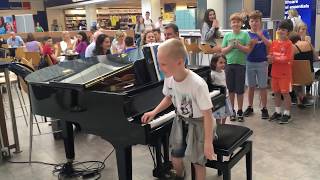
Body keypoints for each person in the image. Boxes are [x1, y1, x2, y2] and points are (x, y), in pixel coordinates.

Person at [141, 39, 216, 180]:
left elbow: (208, 115)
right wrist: (154, 112)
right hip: (181, 120)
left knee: (197, 162)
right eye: (159, 64)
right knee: (175, 157)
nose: (160, 68)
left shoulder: (198, 84)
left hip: (200, 124)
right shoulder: (169, 78)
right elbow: (168, 97)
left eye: (163, 64)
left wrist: (208, 142)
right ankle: (180, 176)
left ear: (180, 62)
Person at [221, 12, 252, 122]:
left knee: (240, 90)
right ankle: (232, 110)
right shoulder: (227, 36)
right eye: (233, 22)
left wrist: (238, 46)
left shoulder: (245, 35)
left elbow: (248, 50)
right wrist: (230, 47)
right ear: (231, 24)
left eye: (238, 22)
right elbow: (223, 51)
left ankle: (239, 110)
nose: (236, 24)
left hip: (241, 66)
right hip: (229, 65)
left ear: (241, 23)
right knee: (231, 90)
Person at [243, 10, 271, 119]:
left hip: (262, 63)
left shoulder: (265, 32)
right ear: (249, 22)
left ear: (260, 22)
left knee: (263, 87)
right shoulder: (246, 34)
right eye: (252, 21)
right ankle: (250, 107)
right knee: (251, 86)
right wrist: (251, 44)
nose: (255, 23)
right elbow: (245, 50)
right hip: (249, 62)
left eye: (257, 21)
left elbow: (269, 44)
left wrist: (261, 36)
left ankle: (264, 108)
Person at [269, 20, 295, 124]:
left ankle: (287, 114)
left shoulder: (289, 44)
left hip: (285, 74)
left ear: (288, 32)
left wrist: (274, 59)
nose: (280, 31)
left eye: (283, 29)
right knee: (276, 93)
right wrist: (270, 58)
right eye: (279, 29)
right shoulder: (274, 42)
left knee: (285, 93)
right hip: (275, 73)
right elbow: (271, 55)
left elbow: (288, 58)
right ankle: (277, 112)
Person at [289, 32, 315, 108]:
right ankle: (301, 99)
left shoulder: (293, 48)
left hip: (297, 78)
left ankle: (299, 98)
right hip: (310, 76)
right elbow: (316, 58)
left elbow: (289, 61)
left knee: (292, 77)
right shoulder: (309, 44)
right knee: (298, 78)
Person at [210, 54, 232, 124]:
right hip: (218, 97)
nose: (223, 64)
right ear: (214, 63)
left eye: (224, 63)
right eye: (221, 62)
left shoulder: (223, 72)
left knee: (225, 112)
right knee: (219, 114)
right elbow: (211, 86)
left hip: (225, 95)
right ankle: (218, 126)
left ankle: (223, 124)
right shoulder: (212, 74)